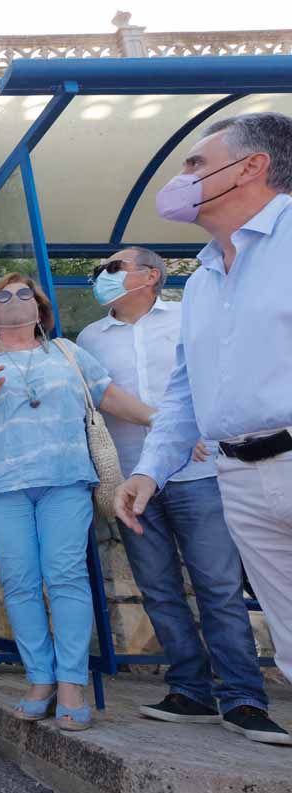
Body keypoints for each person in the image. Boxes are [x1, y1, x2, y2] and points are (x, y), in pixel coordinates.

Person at [117, 112, 292, 746]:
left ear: (251, 167)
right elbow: (187, 391)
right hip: (238, 476)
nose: (181, 178)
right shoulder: (203, 280)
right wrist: (147, 470)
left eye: (195, 164)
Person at [79, 247, 284, 740]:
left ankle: (242, 697)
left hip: (203, 478)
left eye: (112, 267)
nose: (101, 276)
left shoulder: (187, 318)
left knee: (218, 587)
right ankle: (190, 689)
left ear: (151, 275)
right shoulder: (88, 338)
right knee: (159, 590)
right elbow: (99, 399)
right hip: (131, 480)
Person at [0, 273, 153, 732]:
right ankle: (40, 678)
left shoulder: (68, 353)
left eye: (24, 294)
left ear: (40, 309)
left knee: (67, 576)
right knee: (18, 581)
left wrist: (162, 422)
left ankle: (72, 682)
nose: (14, 300)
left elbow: (109, 397)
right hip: (1, 486)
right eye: (3, 295)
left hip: (66, 480)